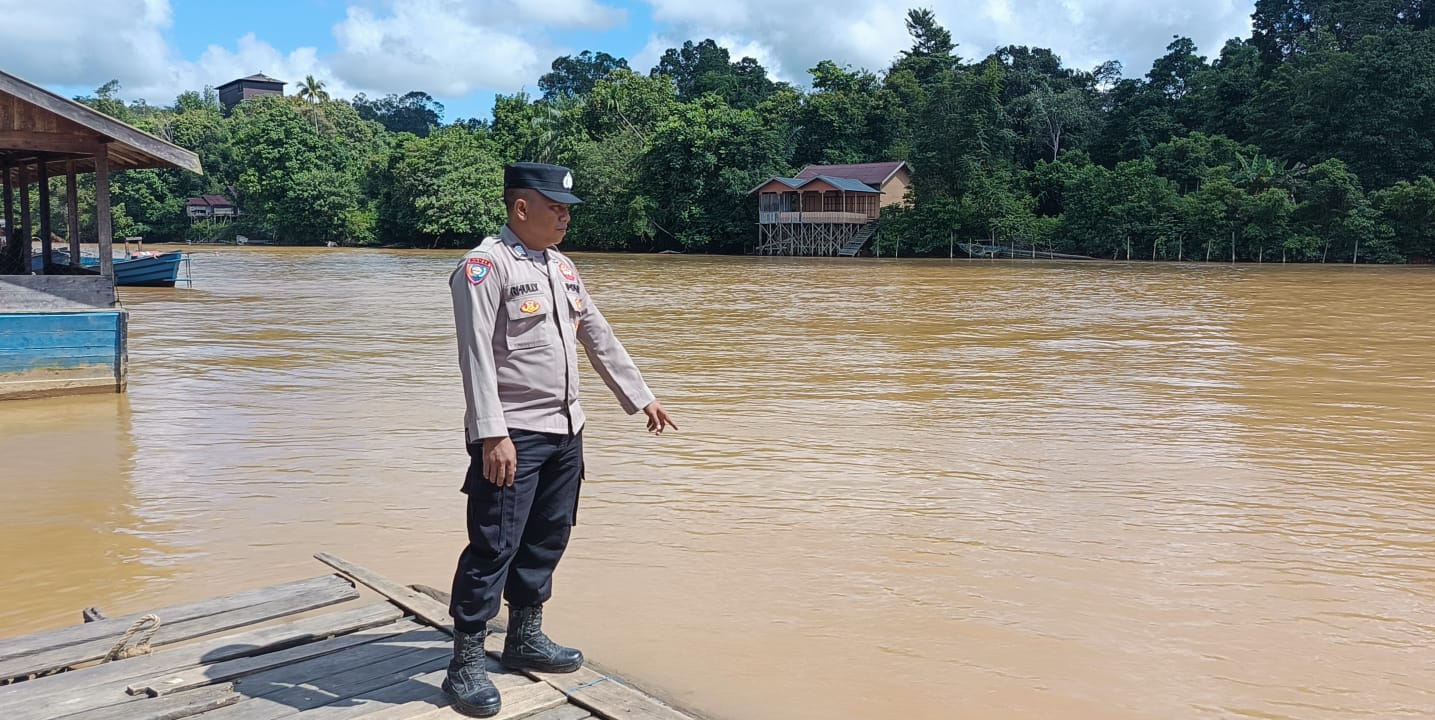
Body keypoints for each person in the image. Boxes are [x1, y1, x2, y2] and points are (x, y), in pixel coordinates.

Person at [444, 161, 677, 717]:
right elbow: (475, 356)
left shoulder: (563, 267)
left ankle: (523, 637)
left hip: (566, 430)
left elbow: (597, 334)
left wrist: (641, 396)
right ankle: (465, 663)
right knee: (494, 543)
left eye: (568, 209)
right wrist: (492, 434)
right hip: (513, 434)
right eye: (556, 208)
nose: (565, 217)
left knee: (548, 535)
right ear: (521, 208)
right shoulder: (484, 267)